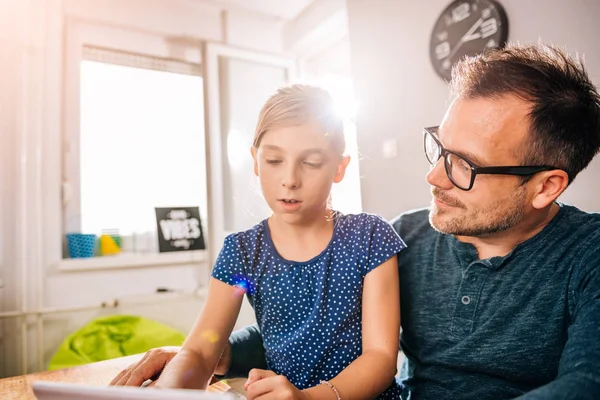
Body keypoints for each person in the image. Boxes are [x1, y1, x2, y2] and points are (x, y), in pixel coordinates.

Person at [111, 43, 600, 399]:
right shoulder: (404, 237)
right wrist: (205, 354)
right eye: (439, 147)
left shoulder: (589, 255)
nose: (433, 176)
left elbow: (586, 385)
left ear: (546, 186)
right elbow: (322, 321)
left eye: (464, 165)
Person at [111, 84, 407, 399]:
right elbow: (201, 349)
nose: (290, 179)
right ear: (255, 160)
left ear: (339, 167)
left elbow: (380, 358)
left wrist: (307, 398)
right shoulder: (242, 253)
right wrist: (168, 390)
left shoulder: (370, 236)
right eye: (274, 160)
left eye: (311, 163)